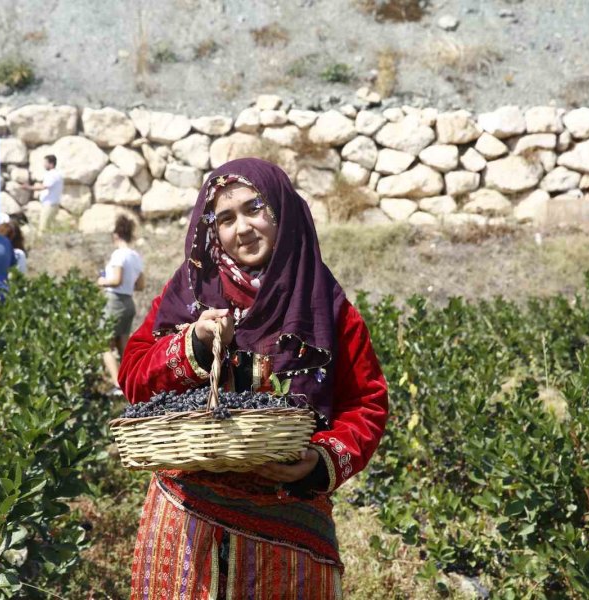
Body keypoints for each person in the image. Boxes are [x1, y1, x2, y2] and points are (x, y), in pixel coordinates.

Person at [117, 158, 389, 599]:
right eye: (225, 218)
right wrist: (193, 343)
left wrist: (319, 461)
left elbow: (365, 404)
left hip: (288, 524)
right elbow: (133, 376)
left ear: (281, 212)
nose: (242, 229)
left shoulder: (326, 306)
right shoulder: (189, 292)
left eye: (254, 209)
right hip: (187, 519)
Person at [96, 215, 144, 391]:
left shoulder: (118, 254)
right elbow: (141, 285)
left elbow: (116, 280)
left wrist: (102, 281)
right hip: (129, 302)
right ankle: (131, 382)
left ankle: (118, 384)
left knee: (103, 345)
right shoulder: (135, 256)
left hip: (114, 301)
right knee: (123, 344)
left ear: (116, 234)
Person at [21, 154, 63, 235]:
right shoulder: (56, 174)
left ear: (51, 164)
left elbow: (44, 187)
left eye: (45, 163)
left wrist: (28, 187)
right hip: (52, 204)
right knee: (48, 228)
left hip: (50, 205)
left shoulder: (52, 175)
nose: (44, 165)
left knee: (43, 229)